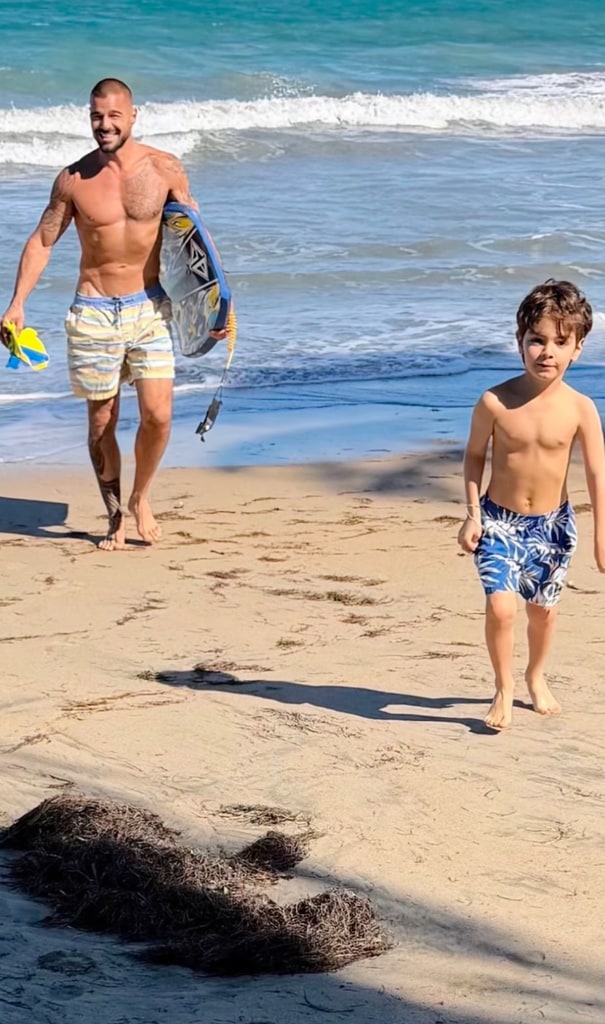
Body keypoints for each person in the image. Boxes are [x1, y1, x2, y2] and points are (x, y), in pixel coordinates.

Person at [1, 78, 226, 551]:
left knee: (158, 416)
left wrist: (216, 305)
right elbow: (43, 241)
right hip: (94, 310)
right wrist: (17, 303)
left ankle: (141, 496)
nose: (104, 125)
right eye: (96, 116)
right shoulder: (73, 180)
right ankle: (114, 512)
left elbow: (194, 239)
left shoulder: (165, 169)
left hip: (150, 307)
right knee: (102, 423)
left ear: (132, 116)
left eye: (113, 116)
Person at [457, 279, 605, 730]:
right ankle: (503, 688)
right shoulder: (495, 402)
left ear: (578, 348)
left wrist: (601, 536)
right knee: (502, 609)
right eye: (536, 340)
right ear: (519, 340)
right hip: (499, 522)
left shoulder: (581, 408)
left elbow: (597, 475)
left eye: (560, 342)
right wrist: (471, 515)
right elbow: (474, 457)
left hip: (552, 528)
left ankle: (535, 675)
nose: (547, 352)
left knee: (542, 612)